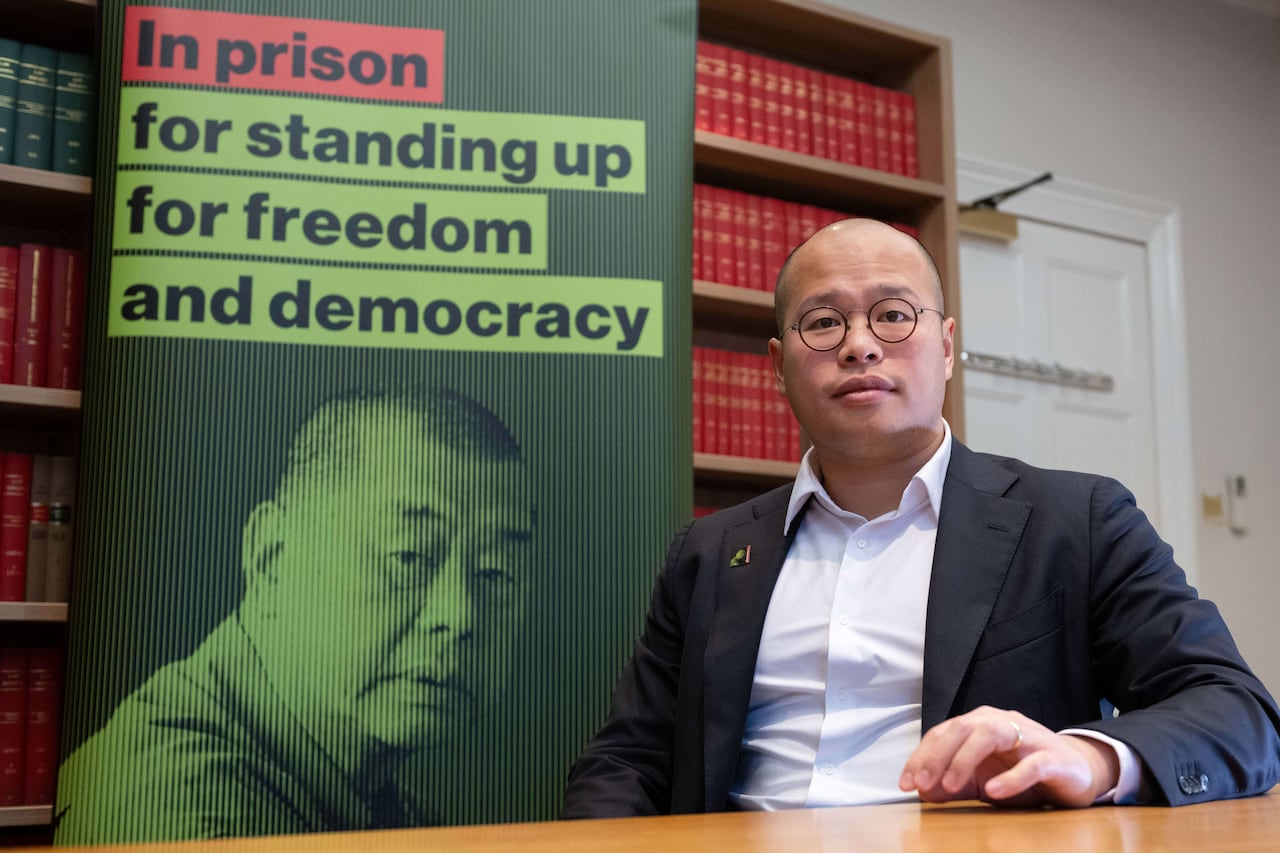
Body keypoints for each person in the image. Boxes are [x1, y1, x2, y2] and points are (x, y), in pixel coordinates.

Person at [561, 218, 1280, 817]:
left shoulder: (1077, 519)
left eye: (893, 314)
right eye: (823, 322)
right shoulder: (712, 551)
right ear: (778, 367)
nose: (859, 343)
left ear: (945, 346)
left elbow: (1237, 711)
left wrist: (1088, 755)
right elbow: (629, 757)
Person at [55, 386, 537, 842]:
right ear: (273, 558)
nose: (459, 616)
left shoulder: (388, 810)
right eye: (408, 557)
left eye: (496, 573)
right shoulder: (182, 810)